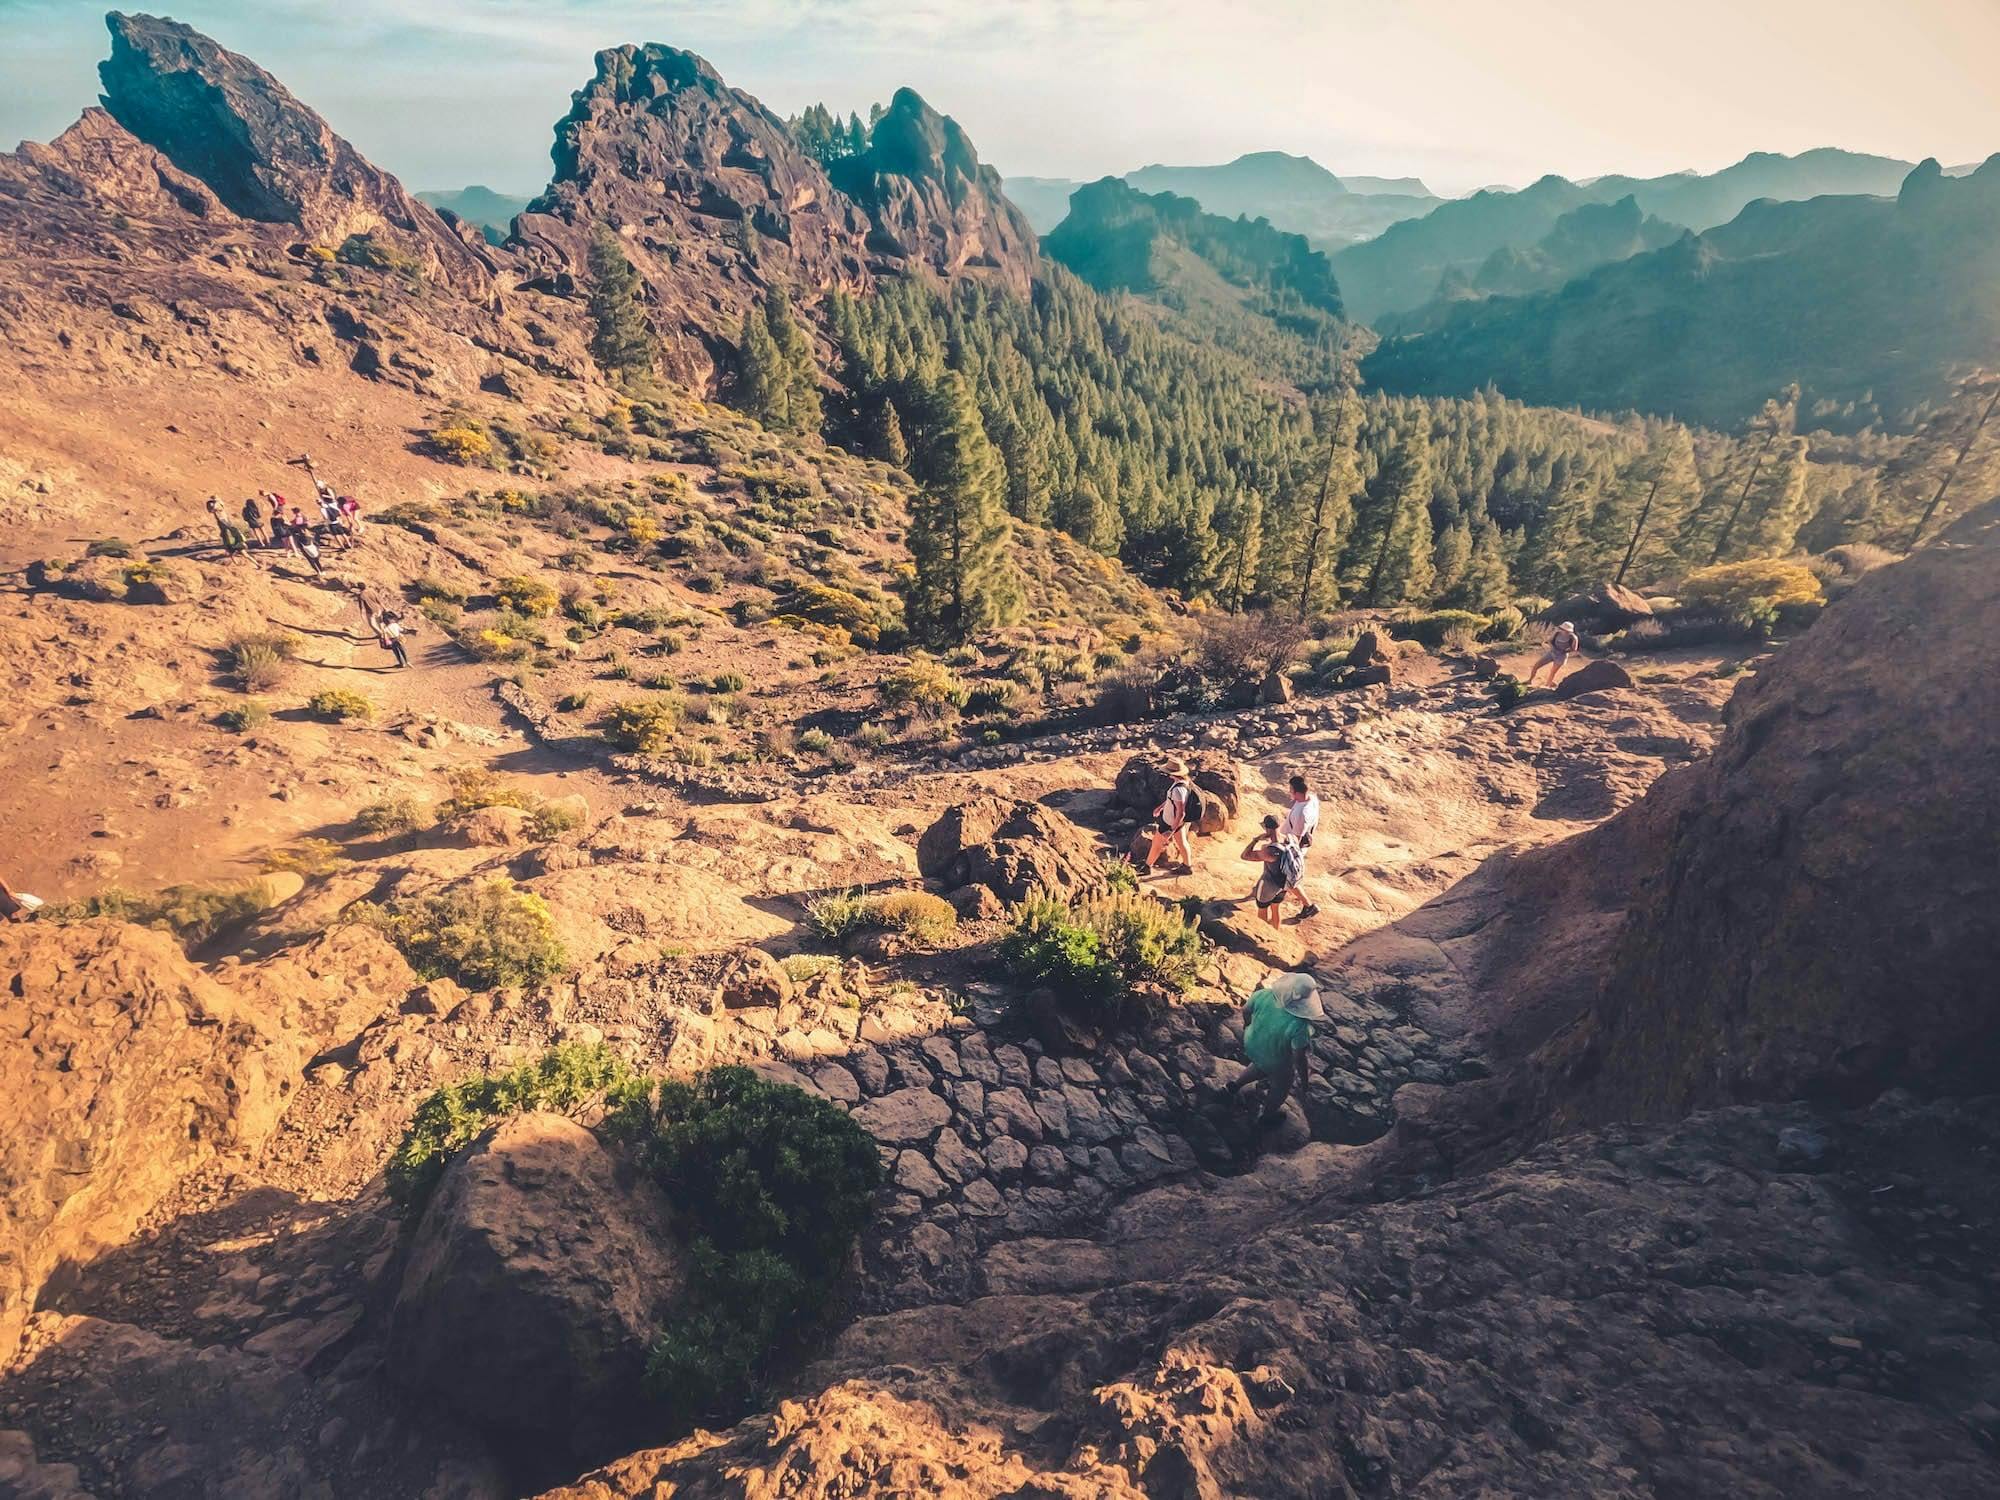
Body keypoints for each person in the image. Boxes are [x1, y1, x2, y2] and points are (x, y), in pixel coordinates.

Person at [1223, 972, 1325, 1126]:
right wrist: (1304, 1081)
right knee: (1281, 1086)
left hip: (1253, 1044)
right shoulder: (1299, 1026)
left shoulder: (1263, 995)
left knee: (1258, 1065)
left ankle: (1233, 1087)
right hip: (1277, 1062)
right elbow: (1299, 1057)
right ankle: (1267, 1116)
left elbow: (1245, 1011)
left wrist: (1247, 1024)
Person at [1241, 815, 1298, 928]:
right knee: (1276, 908)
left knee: (1262, 909)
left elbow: (1244, 856)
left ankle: (1262, 934)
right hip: (1285, 883)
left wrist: (1255, 840)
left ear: (1267, 829)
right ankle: (1275, 932)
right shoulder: (1291, 839)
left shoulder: (1270, 851)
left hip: (1269, 886)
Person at [1143, 762, 1198, 876]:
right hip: (1177, 822)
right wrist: (1160, 808)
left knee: (1157, 843)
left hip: (1170, 822)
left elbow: (1181, 812)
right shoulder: (1183, 783)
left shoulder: (1178, 790)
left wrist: (1171, 830)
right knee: (1182, 843)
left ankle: (1147, 866)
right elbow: (1172, 800)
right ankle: (1187, 867)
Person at [1283, 773, 1322, 920]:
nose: (1289, 791)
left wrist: (1285, 851)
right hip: (1305, 840)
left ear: (1296, 792)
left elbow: (1296, 838)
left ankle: (1309, 906)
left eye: (1291, 789)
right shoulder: (1312, 799)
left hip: (1294, 846)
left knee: (1287, 877)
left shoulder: (1302, 814)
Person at [1527, 620, 1582, 689]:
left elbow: (1574, 648)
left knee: (1553, 672)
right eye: (1563, 629)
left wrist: (1563, 651)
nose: (1563, 631)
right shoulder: (1557, 633)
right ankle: (1530, 680)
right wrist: (1553, 647)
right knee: (1536, 665)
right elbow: (1550, 641)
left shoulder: (1573, 638)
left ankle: (1547, 685)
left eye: (1565, 630)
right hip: (1552, 652)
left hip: (1561, 656)